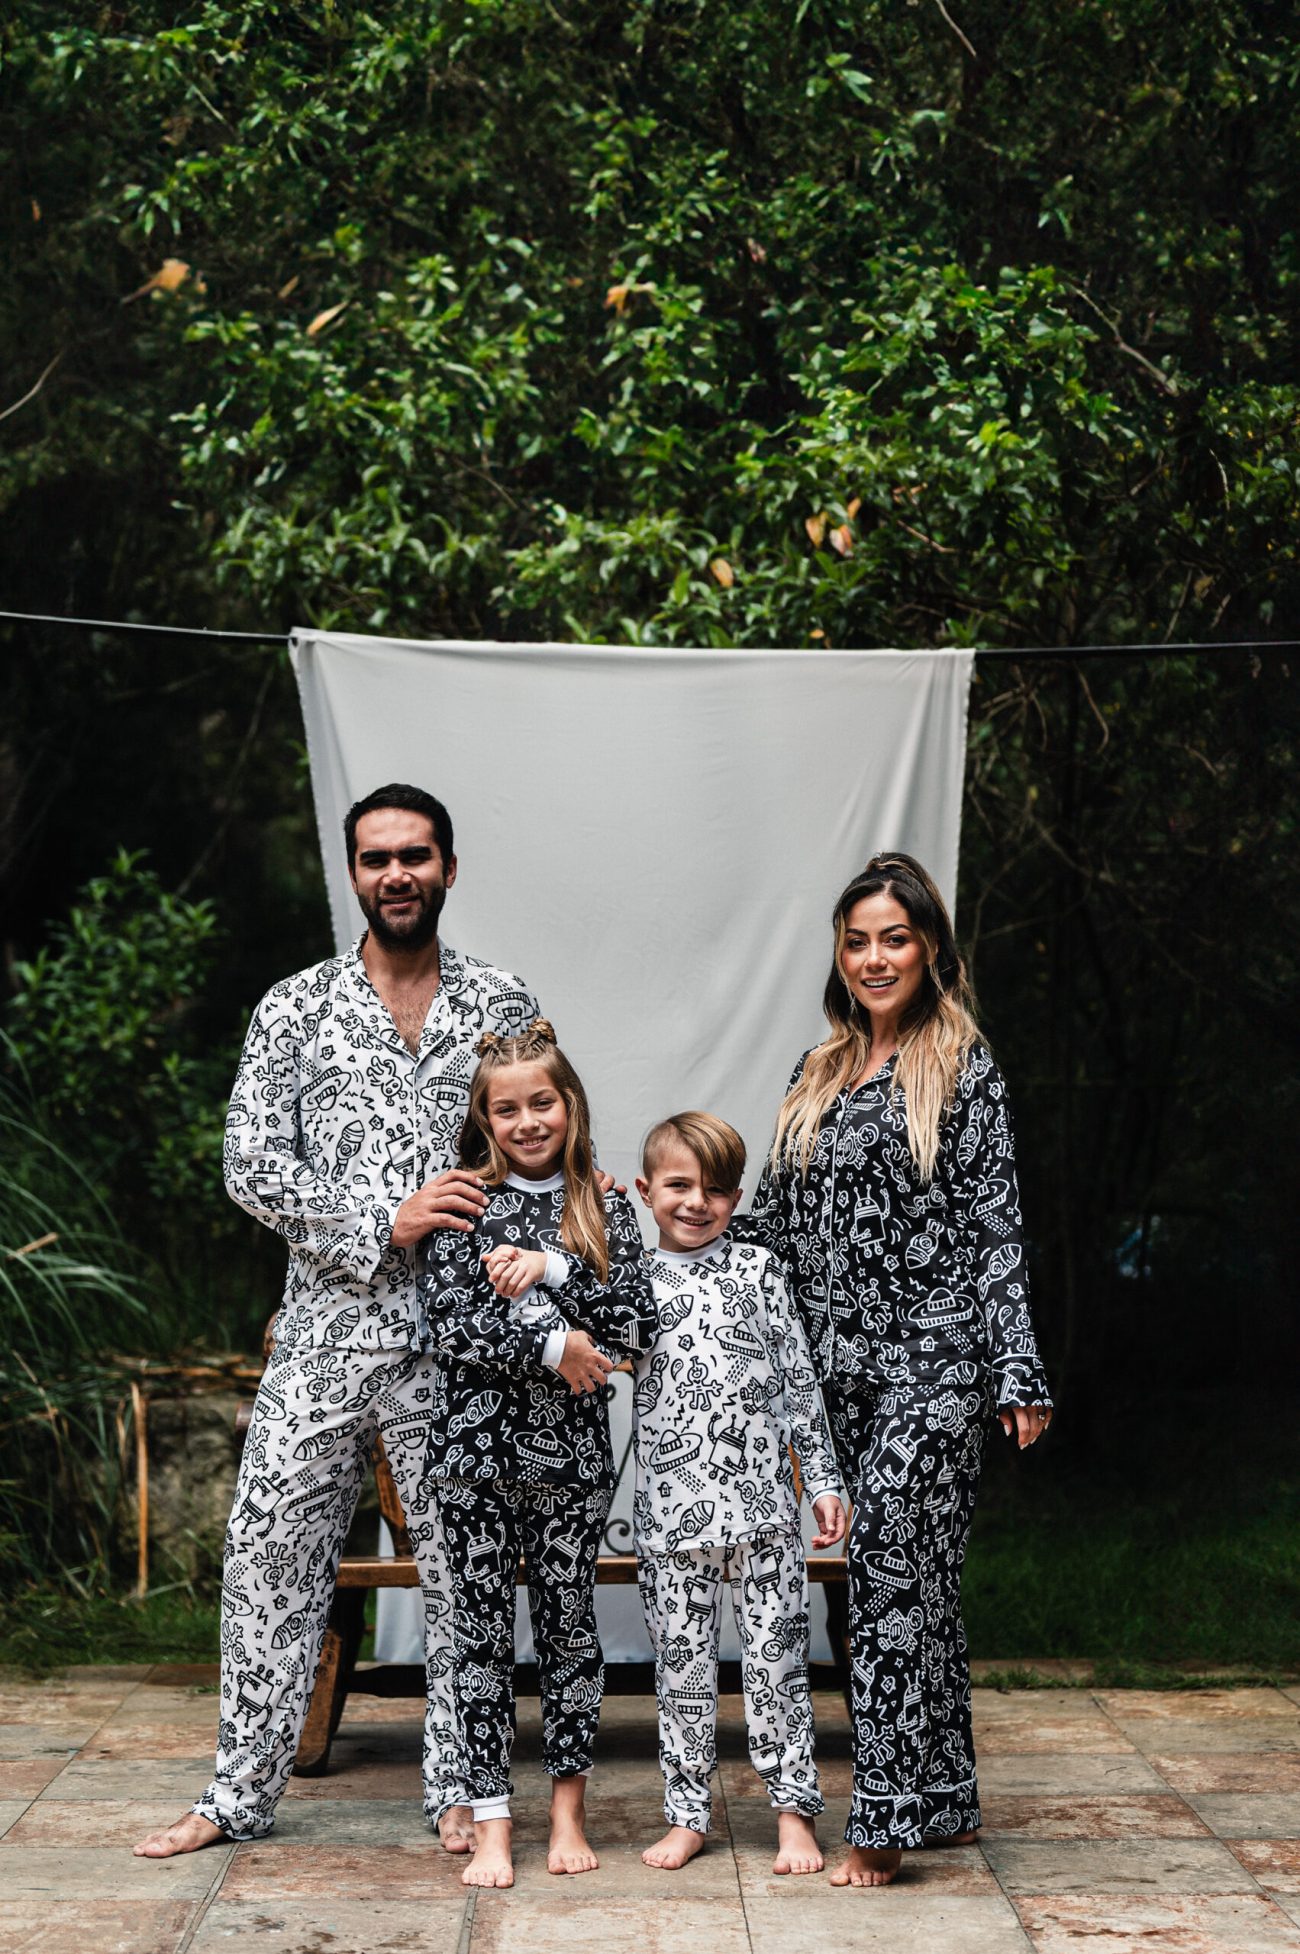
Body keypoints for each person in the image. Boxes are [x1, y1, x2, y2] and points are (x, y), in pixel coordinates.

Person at [134, 782, 540, 1860]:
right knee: (270, 1553)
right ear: (352, 874)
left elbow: (542, 1141)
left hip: (459, 1343)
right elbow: (249, 1166)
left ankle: (462, 1787)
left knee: (464, 1566)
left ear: (448, 868)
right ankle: (235, 1792)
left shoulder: (504, 1005)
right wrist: (384, 1219)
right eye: (375, 859)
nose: (396, 874)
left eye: (415, 856)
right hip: (323, 1328)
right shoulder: (294, 1007)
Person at [740, 852, 1053, 1888]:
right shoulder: (816, 1070)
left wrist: (1015, 1370)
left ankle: (881, 1820)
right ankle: (946, 1796)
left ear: (929, 949)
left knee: (885, 1574)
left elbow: (994, 1226)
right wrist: (674, 1224)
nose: (875, 956)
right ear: (841, 953)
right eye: (858, 938)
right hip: (834, 1370)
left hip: (934, 1359)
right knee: (895, 1589)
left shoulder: (962, 1067)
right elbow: (775, 1230)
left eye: (895, 936)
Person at [418, 1020, 656, 1890]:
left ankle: (567, 1809)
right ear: (484, 1118)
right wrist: (560, 1352)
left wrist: (554, 1268)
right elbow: (452, 1327)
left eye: (542, 1104)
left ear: (570, 1105)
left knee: (569, 1634)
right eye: (506, 1109)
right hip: (475, 1458)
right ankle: (490, 1822)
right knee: (478, 1639)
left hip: (570, 1466)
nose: (527, 1122)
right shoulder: (460, 1202)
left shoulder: (600, 1204)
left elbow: (634, 1323)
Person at [631, 1111, 846, 1875]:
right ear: (646, 1190)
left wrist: (820, 1480)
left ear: (736, 1195)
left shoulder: (758, 1270)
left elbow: (797, 1381)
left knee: (777, 1665)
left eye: (716, 1190)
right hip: (668, 1517)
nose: (697, 1202)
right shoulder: (630, 1281)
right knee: (682, 1673)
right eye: (680, 1185)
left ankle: (793, 1815)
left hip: (762, 1513)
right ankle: (688, 1816)